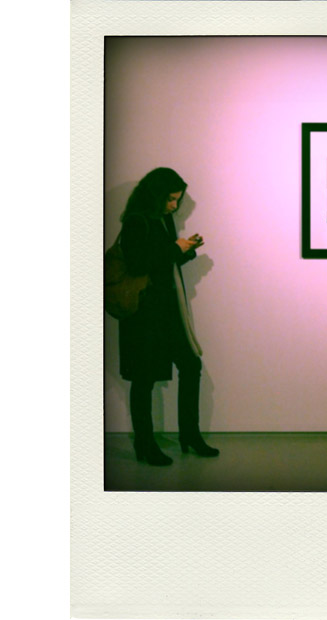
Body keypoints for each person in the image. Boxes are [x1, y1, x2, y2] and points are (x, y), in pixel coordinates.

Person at [117, 167, 219, 465]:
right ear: (156, 195)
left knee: (190, 365)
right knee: (144, 378)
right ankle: (145, 444)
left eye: (177, 200)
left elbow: (162, 264)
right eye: (171, 199)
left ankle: (190, 434)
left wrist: (186, 250)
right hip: (143, 316)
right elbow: (138, 265)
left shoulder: (163, 220)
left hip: (166, 312)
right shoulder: (136, 221)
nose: (174, 206)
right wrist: (175, 247)